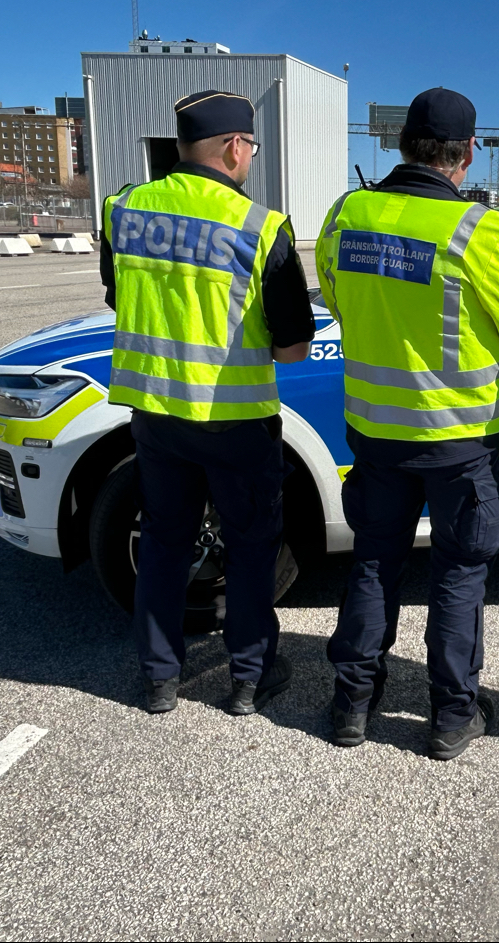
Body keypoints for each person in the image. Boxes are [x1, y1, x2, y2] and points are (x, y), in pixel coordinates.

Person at [316, 87, 499, 760]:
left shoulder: (348, 213)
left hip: (374, 434)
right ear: (468, 153)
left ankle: (350, 706)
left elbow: (333, 296)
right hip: (459, 443)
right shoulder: (483, 232)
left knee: (373, 563)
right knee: (458, 575)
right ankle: (451, 717)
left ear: (401, 144)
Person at [99, 89, 316, 716]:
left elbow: (117, 295)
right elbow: (293, 349)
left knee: (164, 543)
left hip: (156, 414)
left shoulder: (123, 209)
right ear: (233, 146)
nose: (249, 157)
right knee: (250, 547)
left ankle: (159, 680)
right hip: (236, 420)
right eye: (250, 147)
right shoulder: (261, 227)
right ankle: (249, 679)